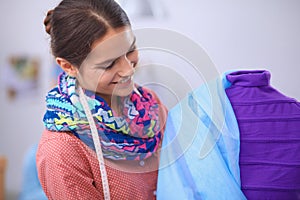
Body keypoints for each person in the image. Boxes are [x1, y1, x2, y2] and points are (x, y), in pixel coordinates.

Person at [36, 0, 167, 199]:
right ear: (68, 66)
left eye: (130, 49)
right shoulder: (62, 148)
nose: (128, 69)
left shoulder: (149, 105)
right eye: (109, 64)